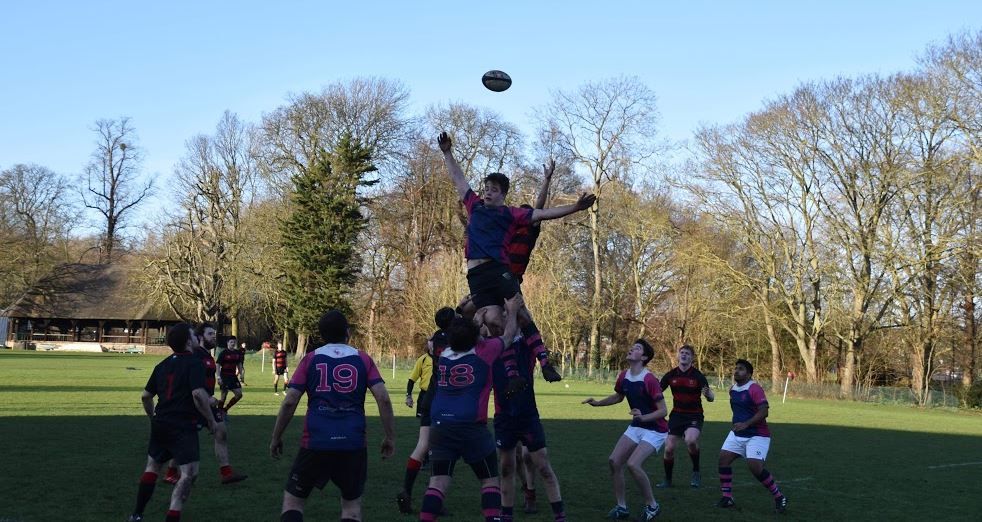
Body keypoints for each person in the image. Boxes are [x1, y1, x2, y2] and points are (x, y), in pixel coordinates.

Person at [438, 131, 595, 337]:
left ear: (503, 195)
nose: (487, 192)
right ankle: (505, 353)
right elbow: (459, 179)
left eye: (493, 190)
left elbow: (543, 212)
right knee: (491, 320)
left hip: (500, 271)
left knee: (519, 313)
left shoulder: (512, 215)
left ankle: (542, 358)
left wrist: (575, 207)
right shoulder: (474, 205)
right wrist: (447, 153)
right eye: (486, 188)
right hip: (477, 275)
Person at [270, 310, 396, 522]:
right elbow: (383, 398)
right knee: (351, 507)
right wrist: (390, 436)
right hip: (353, 443)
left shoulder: (311, 359)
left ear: (321, 335)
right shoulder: (362, 359)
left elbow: (290, 400)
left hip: (315, 441)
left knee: (293, 502)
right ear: (347, 332)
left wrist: (276, 437)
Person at [418, 294, 526, 522]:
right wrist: (513, 310)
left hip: (440, 425)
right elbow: (508, 335)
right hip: (470, 427)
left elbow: (461, 333)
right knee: (488, 480)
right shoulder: (484, 351)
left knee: (438, 481)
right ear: (477, 338)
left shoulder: (444, 353)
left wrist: (473, 318)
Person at [127, 323, 217, 522]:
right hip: (183, 425)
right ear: (188, 341)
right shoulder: (195, 363)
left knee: (152, 467)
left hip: (161, 423)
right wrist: (211, 420)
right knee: (189, 474)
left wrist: (153, 418)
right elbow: (198, 395)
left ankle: (137, 514)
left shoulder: (162, 365)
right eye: (194, 336)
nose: (197, 339)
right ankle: (173, 514)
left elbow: (145, 397)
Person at [582, 339, 667, 521]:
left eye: (636, 348)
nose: (631, 349)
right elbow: (618, 397)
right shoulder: (624, 376)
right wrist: (597, 404)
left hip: (655, 429)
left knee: (633, 464)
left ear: (644, 357)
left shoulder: (649, 379)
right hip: (638, 426)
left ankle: (652, 506)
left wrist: (643, 416)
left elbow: (663, 411)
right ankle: (622, 507)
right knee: (614, 461)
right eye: (632, 346)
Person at [492, 332, 566, 522]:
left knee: (543, 467)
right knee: (507, 468)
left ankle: (560, 517)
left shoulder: (526, 343)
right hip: (504, 416)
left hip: (527, 415)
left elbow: (530, 327)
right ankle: (506, 516)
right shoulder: (492, 343)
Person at [163, 323, 247, 485]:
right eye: (210, 334)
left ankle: (226, 472)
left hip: (207, 401)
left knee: (221, 431)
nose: (214, 336)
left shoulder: (207, 355)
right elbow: (188, 381)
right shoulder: (195, 355)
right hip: (193, 403)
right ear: (200, 337)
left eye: (214, 334)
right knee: (184, 439)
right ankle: (171, 472)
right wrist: (206, 398)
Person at [397, 306, 456, 514]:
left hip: (430, 395)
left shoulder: (436, 338)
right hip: (446, 397)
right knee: (443, 451)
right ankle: (435, 499)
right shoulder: (457, 336)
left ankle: (407, 489)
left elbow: (434, 343)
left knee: (422, 446)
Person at [717, 359, 788, 513]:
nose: (736, 371)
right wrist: (738, 424)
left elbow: (764, 411)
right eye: (735, 368)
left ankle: (779, 496)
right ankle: (727, 497)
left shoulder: (754, 389)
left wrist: (746, 423)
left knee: (755, 467)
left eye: (741, 369)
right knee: (723, 460)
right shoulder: (732, 389)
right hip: (737, 433)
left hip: (758, 435)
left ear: (749, 374)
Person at [655, 344, 715, 488]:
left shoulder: (697, 376)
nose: (684, 355)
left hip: (694, 415)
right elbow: (656, 391)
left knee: (690, 440)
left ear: (692, 358)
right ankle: (667, 480)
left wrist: (709, 395)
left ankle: (696, 471)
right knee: (668, 448)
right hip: (676, 415)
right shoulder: (671, 375)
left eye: (687, 353)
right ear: (678, 355)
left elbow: (710, 397)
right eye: (681, 352)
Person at [217, 336, 245, 412]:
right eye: (231, 342)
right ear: (227, 343)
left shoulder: (237, 353)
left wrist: (241, 374)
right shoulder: (223, 353)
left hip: (233, 376)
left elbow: (239, 364)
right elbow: (218, 364)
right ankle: (219, 413)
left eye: (234, 342)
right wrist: (218, 377)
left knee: (239, 394)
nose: (233, 344)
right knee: (223, 396)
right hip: (224, 376)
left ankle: (225, 409)